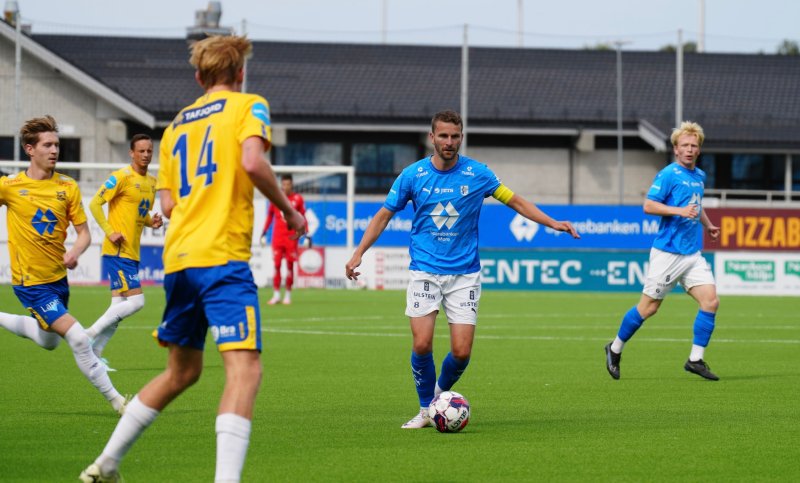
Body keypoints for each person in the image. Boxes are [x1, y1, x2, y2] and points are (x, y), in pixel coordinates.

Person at [79, 35, 306, 483]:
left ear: (199, 77)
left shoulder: (177, 125)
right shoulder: (249, 106)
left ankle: (107, 462)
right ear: (240, 73)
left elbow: (165, 203)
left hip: (179, 258)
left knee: (182, 371)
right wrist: (287, 208)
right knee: (245, 370)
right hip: (221, 257)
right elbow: (253, 163)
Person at [345, 110, 580, 429]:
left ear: (461, 137)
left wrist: (552, 222)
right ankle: (427, 409)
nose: (449, 142)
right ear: (432, 138)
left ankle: (438, 397)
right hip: (425, 269)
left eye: (455, 136)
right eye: (443, 136)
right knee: (422, 344)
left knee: (462, 351)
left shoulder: (478, 174)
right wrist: (359, 252)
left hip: (464, 274)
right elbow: (383, 216)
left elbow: (515, 201)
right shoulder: (413, 175)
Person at [0, 115, 128, 415]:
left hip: (57, 279)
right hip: (30, 283)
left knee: (48, 341)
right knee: (78, 338)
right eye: (47, 145)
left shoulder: (67, 187)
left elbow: (84, 233)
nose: (54, 150)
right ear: (30, 149)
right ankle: (119, 402)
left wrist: (75, 252)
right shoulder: (11, 187)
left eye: (57, 144)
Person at [604, 121, 721, 381]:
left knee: (711, 301)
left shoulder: (699, 176)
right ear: (676, 149)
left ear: (699, 150)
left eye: (694, 146)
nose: (690, 150)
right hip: (668, 253)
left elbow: (695, 206)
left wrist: (709, 225)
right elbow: (648, 205)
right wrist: (679, 211)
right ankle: (614, 348)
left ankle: (695, 359)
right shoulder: (669, 174)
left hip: (691, 254)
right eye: (685, 146)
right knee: (649, 308)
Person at [86, 134, 163, 368]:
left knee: (117, 306)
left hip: (132, 251)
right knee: (137, 302)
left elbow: (139, 214)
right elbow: (94, 204)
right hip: (117, 250)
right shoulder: (120, 177)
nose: (146, 155)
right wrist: (109, 231)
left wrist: (151, 222)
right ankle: (88, 335)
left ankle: (96, 354)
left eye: (149, 151)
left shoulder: (152, 182)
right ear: (131, 153)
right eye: (141, 151)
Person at [260, 173, 308, 305]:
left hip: (291, 238)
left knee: (289, 266)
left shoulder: (298, 199)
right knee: (276, 265)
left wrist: (306, 234)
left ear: (292, 184)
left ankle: (287, 294)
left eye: (288, 184)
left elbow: (303, 217)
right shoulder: (275, 198)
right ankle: (276, 295)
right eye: (284, 184)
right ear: (281, 185)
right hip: (277, 237)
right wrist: (263, 233)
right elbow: (270, 216)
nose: (286, 187)